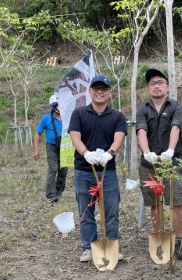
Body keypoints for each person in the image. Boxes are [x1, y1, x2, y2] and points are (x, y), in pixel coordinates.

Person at [68, 75, 127, 263]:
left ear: (109, 92)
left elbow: (119, 137)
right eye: (96, 88)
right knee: (86, 210)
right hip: (83, 171)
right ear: (90, 91)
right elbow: (75, 136)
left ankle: (112, 246)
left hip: (107, 171)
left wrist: (110, 153)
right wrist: (86, 153)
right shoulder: (79, 114)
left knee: (111, 210)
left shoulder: (117, 116)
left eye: (104, 88)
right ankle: (88, 247)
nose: (99, 91)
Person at [136, 68, 182, 260]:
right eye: (152, 83)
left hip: (171, 162)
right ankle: (159, 238)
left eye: (160, 82)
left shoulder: (176, 106)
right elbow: (141, 131)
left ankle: (180, 241)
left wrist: (170, 150)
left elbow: (176, 127)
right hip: (149, 164)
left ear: (167, 86)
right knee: (154, 203)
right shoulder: (142, 109)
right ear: (148, 88)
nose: (156, 86)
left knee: (176, 201)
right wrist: (146, 152)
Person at [33, 95, 68, 204]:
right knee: (53, 169)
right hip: (52, 146)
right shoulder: (46, 118)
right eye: (58, 104)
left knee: (63, 171)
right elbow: (38, 134)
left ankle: (58, 193)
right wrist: (36, 150)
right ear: (53, 106)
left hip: (65, 147)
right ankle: (50, 195)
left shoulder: (68, 117)